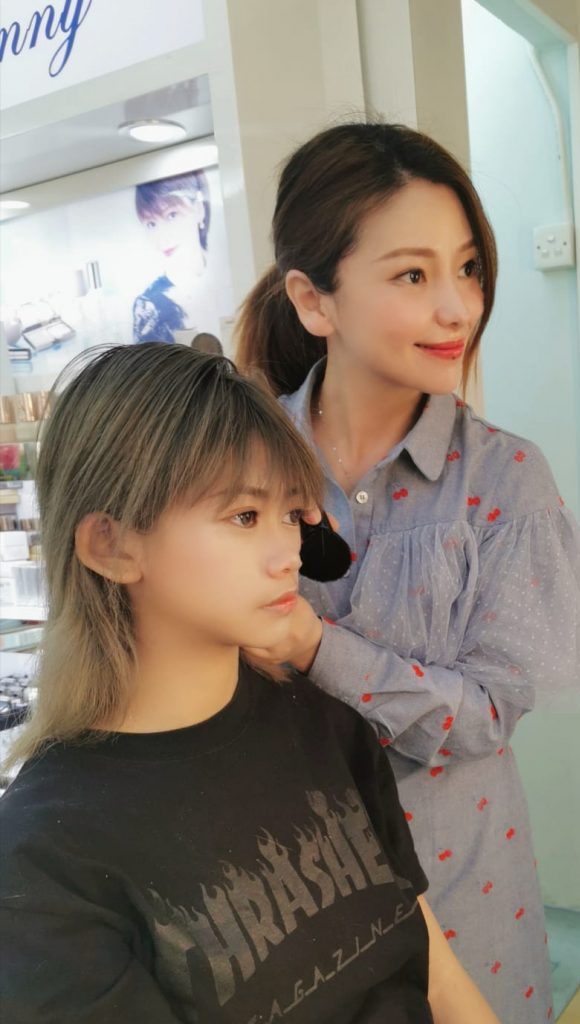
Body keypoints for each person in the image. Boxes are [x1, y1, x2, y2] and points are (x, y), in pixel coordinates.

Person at [234, 121, 580, 1023]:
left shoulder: (504, 478)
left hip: (461, 890)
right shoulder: (237, 463)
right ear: (312, 300)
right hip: (276, 889)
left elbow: (487, 714)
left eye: (467, 269)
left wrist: (315, 646)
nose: (458, 309)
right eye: (412, 276)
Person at [0, 344, 500, 1024]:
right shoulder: (45, 861)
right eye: (244, 516)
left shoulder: (326, 726)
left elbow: (425, 952)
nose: (288, 553)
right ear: (111, 546)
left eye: (291, 514)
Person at [132, 170, 211, 344]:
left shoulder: (232, 274)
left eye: (172, 215)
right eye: (151, 224)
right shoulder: (149, 305)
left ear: (199, 210)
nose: (162, 237)